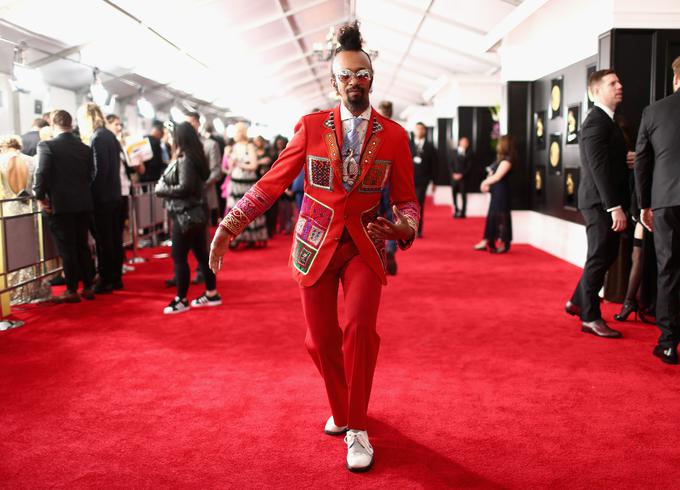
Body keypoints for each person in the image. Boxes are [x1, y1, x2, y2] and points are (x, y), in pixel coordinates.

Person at [209, 21, 419, 473]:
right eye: (345, 75)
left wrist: (403, 227)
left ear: (371, 78)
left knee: (360, 330)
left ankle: (356, 427)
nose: (354, 82)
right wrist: (231, 224)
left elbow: (406, 201)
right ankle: (343, 408)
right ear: (333, 81)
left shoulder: (396, 136)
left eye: (361, 74)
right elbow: (271, 183)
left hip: (365, 242)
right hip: (314, 243)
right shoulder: (309, 127)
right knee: (319, 342)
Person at [565, 69, 630, 339]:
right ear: (596, 91)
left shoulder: (607, 121)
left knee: (604, 255)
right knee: (599, 256)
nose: (620, 85)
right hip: (599, 202)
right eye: (612, 83)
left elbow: (606, 159)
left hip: (600, 201)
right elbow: (598, 167)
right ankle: (590, 317)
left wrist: (626, 158)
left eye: (619, 81)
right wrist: (613, 206)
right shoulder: (596, 122)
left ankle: (577, 301)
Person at [634, 56, 680, 365]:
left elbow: (642, 162)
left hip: (666, 201)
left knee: (669, 271)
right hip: (665, 201)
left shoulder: (654, 111)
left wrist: (643, 204)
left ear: (675, 78)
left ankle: (667, 343)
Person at [155, 122, 221, 314]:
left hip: (185, 215)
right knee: (202, 256)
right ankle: (211, 293)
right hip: (195, 213)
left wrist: (162, 190)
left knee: (179, 257)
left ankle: (181, 299)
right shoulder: (195, 157)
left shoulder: (185, 159)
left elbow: (185, 187)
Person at [33, 110, 96, 303]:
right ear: (71, 124)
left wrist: (39, 196)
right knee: (82, 245)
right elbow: (91, 175)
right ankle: (88, 286)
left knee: (67, 248)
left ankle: (71, 289)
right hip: (83, 203)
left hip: (60, 205)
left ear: (53, 124)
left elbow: (42, 173)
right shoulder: (85, 148)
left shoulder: (47, 145)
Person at [77, 103, 123, 293]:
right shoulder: (109, 136)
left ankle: (107, 280)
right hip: (114, 195)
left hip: (103, 198)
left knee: (105, 242)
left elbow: (99, 171)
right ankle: (115, 277)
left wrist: (90, 195)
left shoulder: (98, 137)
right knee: (113, 240)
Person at [0, 135, 51, 304]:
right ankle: (32, 288)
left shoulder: (1, 161)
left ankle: (14, 290)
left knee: (11, 250)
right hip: (30, 208)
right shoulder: (31, 161)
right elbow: (39, 184)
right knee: (32, 248)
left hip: (8, 210)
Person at [225, 123, 268, 249]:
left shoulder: (249, 146)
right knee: (235, 211)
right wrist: (229, 158)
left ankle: (253, 237)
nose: (235, 134)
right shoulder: (232, 147)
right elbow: (230, 169)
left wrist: (239, 163)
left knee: (249, 209)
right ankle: (237, 238)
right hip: (235, 182)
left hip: (247, 183)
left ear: (242, 132)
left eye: (237, 131)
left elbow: (253, 166)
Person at [473, 135, 515, 253]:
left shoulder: (508, 160)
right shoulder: (500, 159)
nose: (497, 145)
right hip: (496, 191)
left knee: (502, 217)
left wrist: (484, 183)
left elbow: (497, 176)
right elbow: (491, 173)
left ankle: (503, 242)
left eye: (499, 143)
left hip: (502, 192)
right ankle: (487, 240)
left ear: (504, 145)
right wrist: (487, 184)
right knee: (492, 216)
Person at [185, 112, 222, 224]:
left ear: (198, 124)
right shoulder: (182, 145)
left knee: (202, 232)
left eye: (191, 123)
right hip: (185, 197)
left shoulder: (210, 145)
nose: (188, 126)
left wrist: (199, 186)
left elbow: (216, 171)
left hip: (204, 194)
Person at [410, 121, 436, 237]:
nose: (419, 131)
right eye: (417, 129)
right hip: (408, 180)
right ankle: (408, 228)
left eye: (422, 129)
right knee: (407, 205)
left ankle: (418, 229)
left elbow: (435, 164)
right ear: (414, 131)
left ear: (425, 131)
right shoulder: (408, 144)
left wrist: (435, 181)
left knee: (418, 204)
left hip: (423, 180)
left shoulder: (430, 147)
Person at [450, 136, 473, 218]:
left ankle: (463, 212)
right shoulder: (453, 152)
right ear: (460, 142)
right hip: (454, 177)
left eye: (466, 142)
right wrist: (453, 174)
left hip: (464, 178)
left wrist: (462, 174)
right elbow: (450, 164)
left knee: (463, 195)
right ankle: (456, 209)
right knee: (454, 193)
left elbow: (470, 167)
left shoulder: (470, 153)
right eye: (463, 142)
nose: (465, 143)